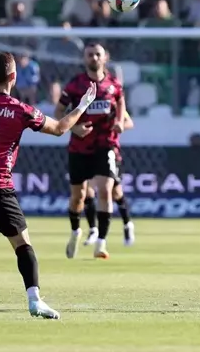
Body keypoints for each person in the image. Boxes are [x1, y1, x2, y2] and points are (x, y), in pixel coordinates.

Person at [0, 52, 97, 319]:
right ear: (14, 77)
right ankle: (34, 300)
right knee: (22, 243)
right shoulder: (19, 110)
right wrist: (82, 105)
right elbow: (58, 129)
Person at [55, 42, 127, 260]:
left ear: (105, 58)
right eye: (90, 55)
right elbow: (58, 112)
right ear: (84, 58)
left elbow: (121, 102)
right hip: (79, 146)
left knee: (105, 191)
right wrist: (74, 128)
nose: (94, 58)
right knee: (78, 197)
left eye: (98, 54)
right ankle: (76, 230)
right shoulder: (76, 85)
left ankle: (101, 244)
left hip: (105, 144)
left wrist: (120, 121)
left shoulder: (114, 85)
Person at [82, 111, 135, 247]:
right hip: (88, 151)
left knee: (115, 193)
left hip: (109, 152)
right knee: (86, 189)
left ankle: (127, 224)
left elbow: (129, 123)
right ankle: (93, 229)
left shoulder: (111, 101)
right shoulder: (85, 100)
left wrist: (115, 125)